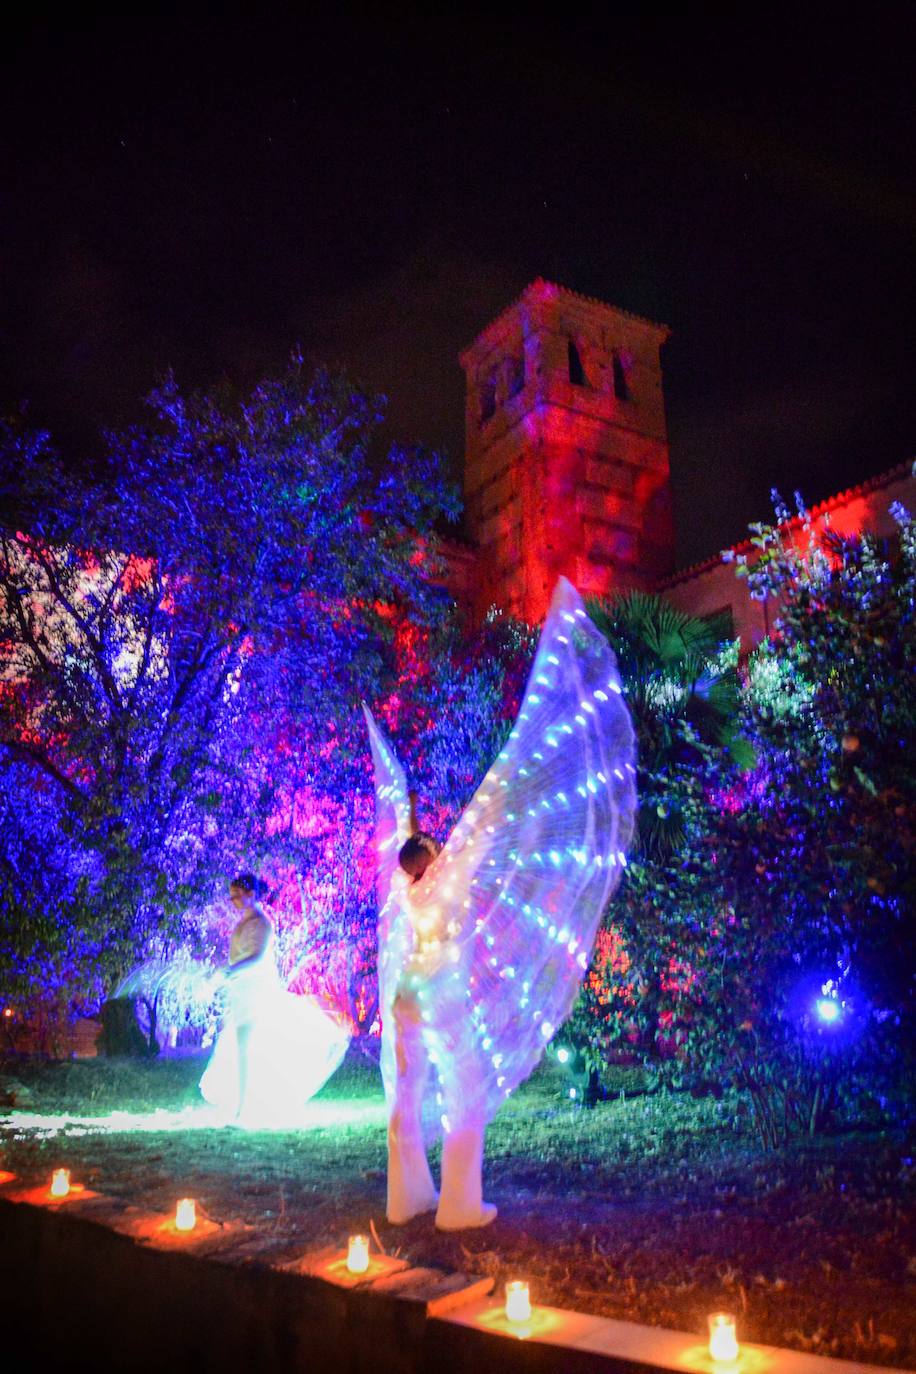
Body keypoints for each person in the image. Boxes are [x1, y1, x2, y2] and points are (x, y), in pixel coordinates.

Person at [364, 578, 637, 1232]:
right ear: (429, 853)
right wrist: (510, 785)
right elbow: (490, 830)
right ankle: (460, 1205)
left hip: (403, 992)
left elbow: (426, 838)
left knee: (405, 1095)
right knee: (465, 1096)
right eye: (432, 841)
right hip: (442, 995)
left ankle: (407, 1198)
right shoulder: (447, 878)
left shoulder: (400, 890)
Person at [199, 873, 350, 1125]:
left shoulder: (261, 924)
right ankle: (243, 1103)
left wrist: (230, 971)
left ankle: (245, 1106)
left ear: (251, 894)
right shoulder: (244, 923)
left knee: (246, 1049)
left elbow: (256, 957)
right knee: (241, 1049)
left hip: (255, 993)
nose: (233, 900)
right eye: (232, 895)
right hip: (241, 993)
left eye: (237, 895)